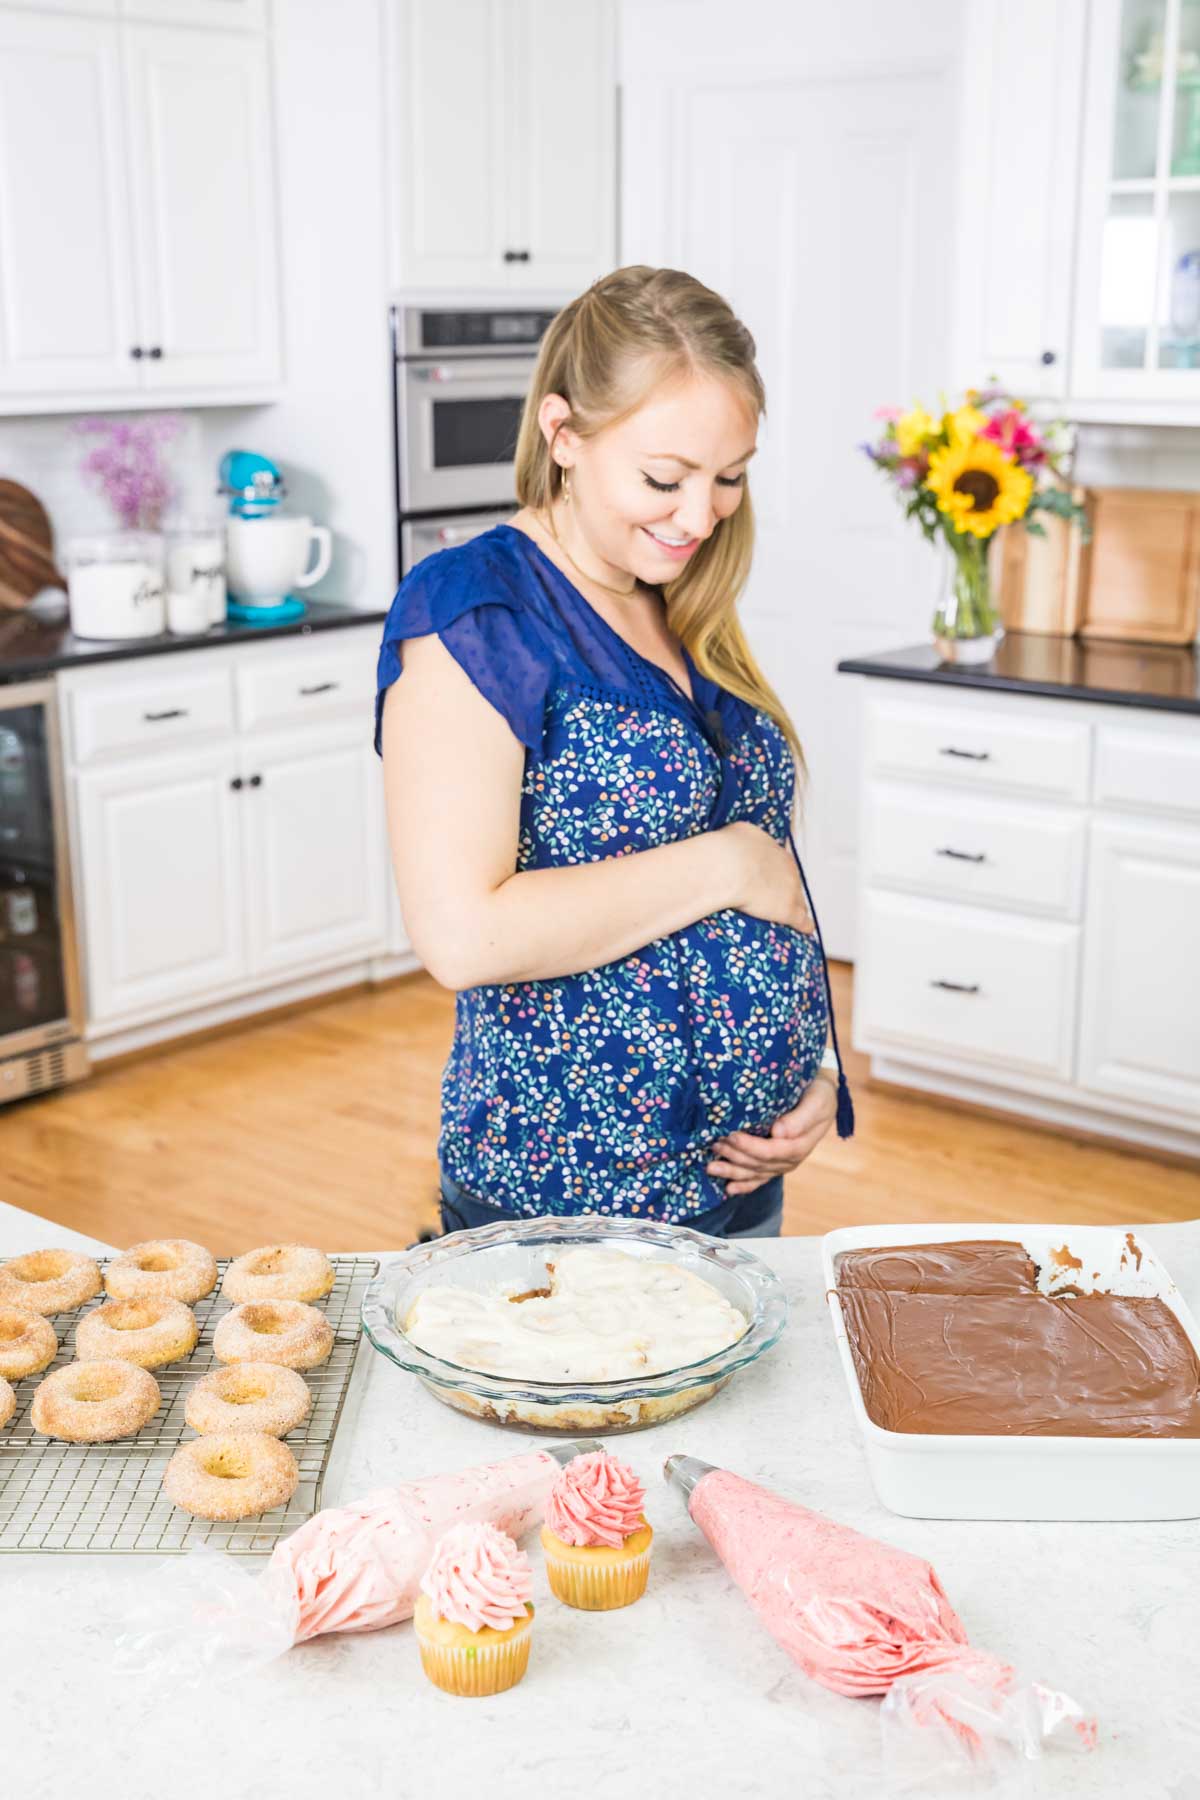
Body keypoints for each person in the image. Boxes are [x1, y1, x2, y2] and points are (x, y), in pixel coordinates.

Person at [377, 265, 852, 1240]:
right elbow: (465, 936)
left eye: (730, 477)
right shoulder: (477, 611)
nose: (699, 516)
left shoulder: (676, 597)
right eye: (664, 479)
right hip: (568, 1205)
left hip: (739, 1184)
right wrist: (725, 866)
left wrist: (813, 1063)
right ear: (563, 435)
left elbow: (767, 863)